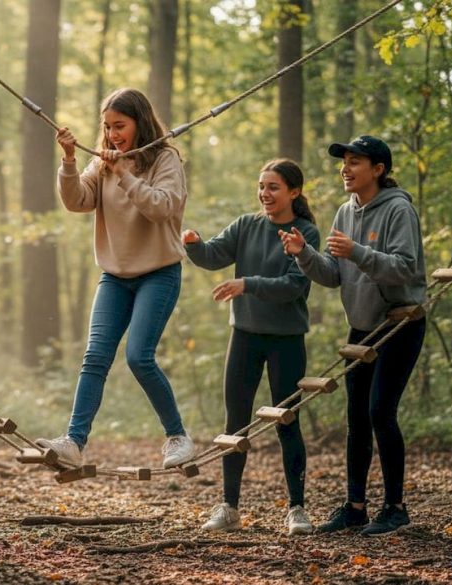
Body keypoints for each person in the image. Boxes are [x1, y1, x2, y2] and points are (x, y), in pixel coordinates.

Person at [35, 88, 194, 469]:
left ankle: (177, 436)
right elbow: (78, 201)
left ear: (140, 122)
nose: (112, 135)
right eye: (107, 127)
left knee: (139, 356)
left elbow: (162, 207)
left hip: (158, 273)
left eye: (119, 126)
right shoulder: (103, 162)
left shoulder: (166, 159)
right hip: (115, 276)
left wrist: (124, 173)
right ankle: (74, 442)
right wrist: (71, 160)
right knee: (95, 357)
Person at [280, 135, 426, 537]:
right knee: (356, 418)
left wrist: (357, 251)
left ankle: (396, 507)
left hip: (400, 322)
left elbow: (406, 269)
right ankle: (356, 506)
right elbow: (332, 274)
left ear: (378, 169)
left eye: (355, 162)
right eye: (344, 161)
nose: (345, 168)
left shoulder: (398, 210)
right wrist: (303, 254)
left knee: (381, 411)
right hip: (361, 327)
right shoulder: (345, 212)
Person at [183, 159, 320, 536]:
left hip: (286, 340)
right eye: (261, 186)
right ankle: (229, 507)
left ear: (293, 192)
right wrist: (193, 244)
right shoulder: (247, 225)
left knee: (287, 423)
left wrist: (246, 284)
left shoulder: (305, 232)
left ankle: (297, 509)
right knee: (235, 423)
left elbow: (294, 285)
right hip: (244, 335)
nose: (265, 193)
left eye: (273, 187)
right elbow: (212, 256)